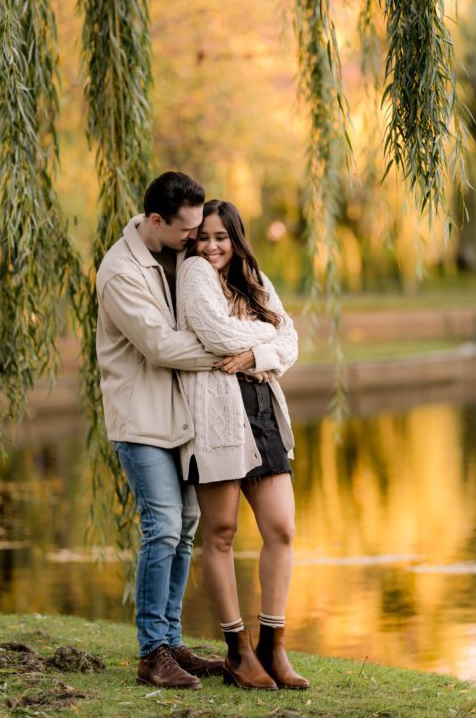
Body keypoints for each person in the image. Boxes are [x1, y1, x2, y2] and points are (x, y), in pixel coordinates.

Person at [96, 172, 249, 690]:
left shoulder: (179, 256)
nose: (197, 240)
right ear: (156, 221)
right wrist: (231, 354)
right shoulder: (121, 272)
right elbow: (160, 347)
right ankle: (151, 652)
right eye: (188, 232)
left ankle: (172, 639)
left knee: (185, 525)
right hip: (140, 420)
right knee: (162, 525)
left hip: (180, 416)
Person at [176, 199, 308, 690]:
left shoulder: (253, 276)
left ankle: (274, 647)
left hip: (261, 408)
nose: (211, 246)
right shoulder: (193, 273)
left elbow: (291, 339)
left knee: (281, 527)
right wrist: (266, 336)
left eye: (221, 238)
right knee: (222, 532)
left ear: (236, 239)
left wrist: (256, 349)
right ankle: (237, 651)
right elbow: (212, 333)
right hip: (215, 413)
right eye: (204, 237)